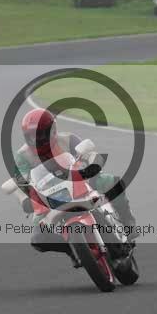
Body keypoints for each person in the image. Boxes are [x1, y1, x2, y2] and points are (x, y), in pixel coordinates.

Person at [13, 109, 138, 265]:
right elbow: (19, 182)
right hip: (47, 197)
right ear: (26, 136)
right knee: (38, 238)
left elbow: (90, 154)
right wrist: (24, 199)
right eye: (32, 135)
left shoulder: (68, 139)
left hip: (79, 182)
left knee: (113, 182)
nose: (38, 139)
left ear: (53, 130)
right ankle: (74, 249)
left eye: (42, 134)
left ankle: (128, 223)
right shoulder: (22, 156)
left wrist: (93, 163)